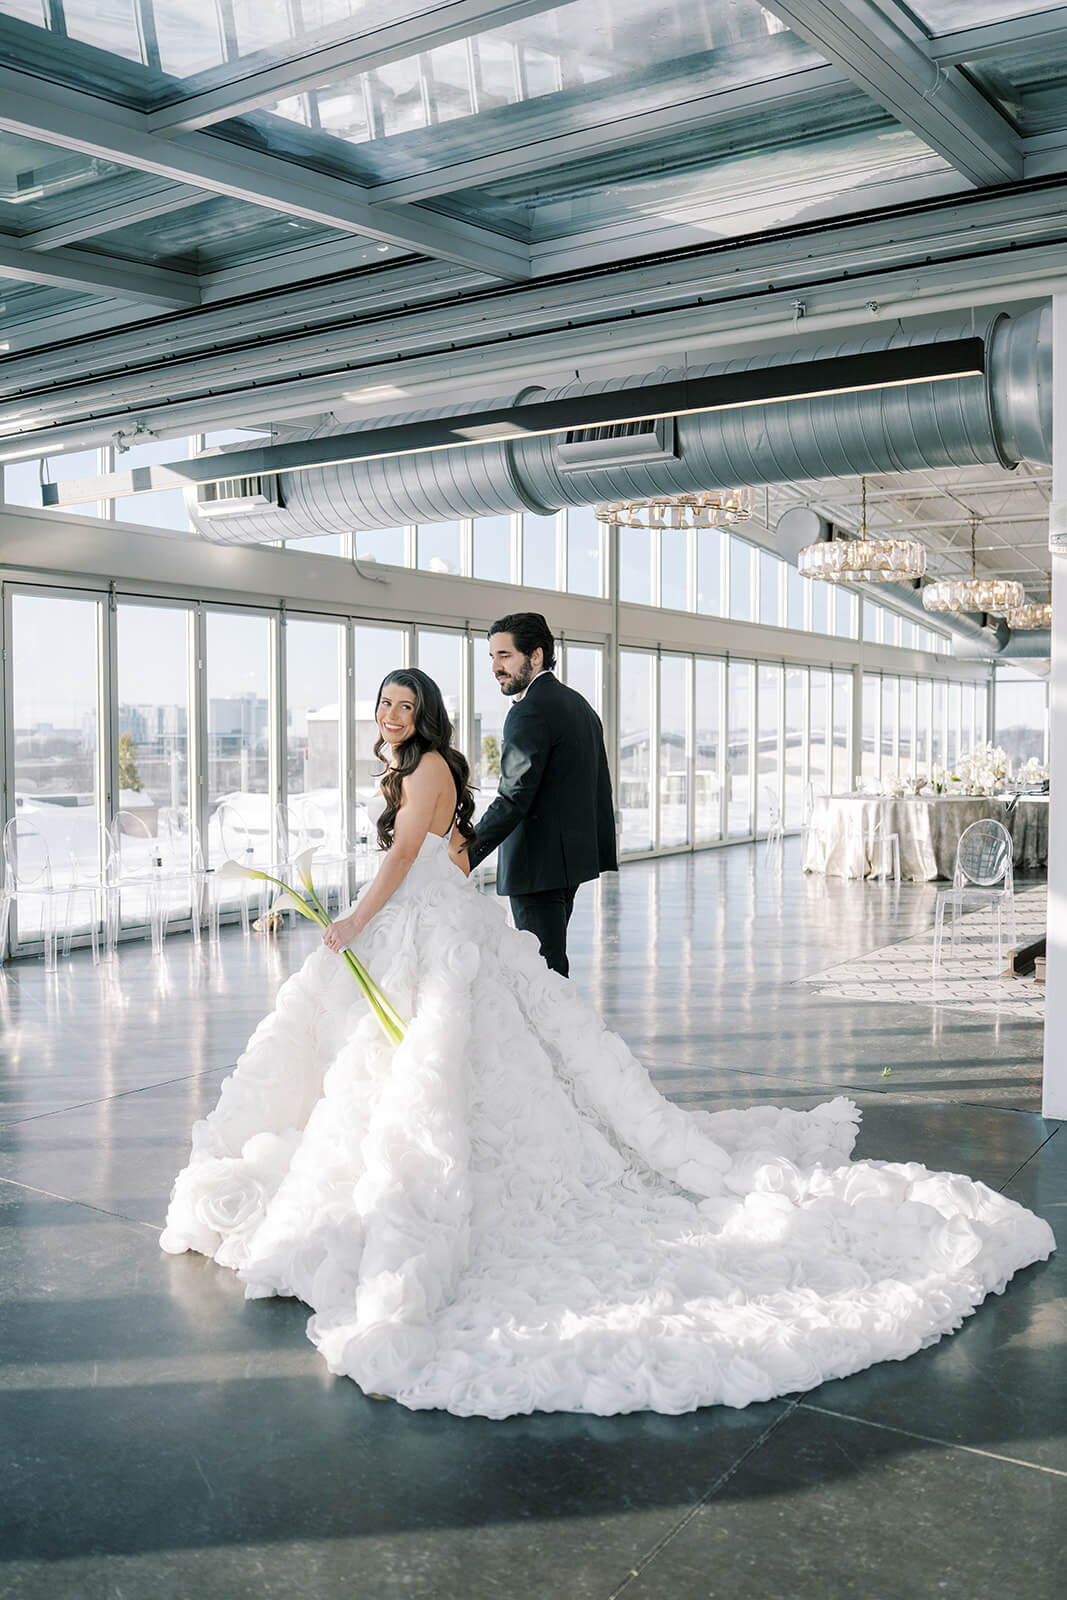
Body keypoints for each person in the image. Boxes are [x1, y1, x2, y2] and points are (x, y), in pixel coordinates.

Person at [161, 667, 1054, 1421]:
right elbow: (439, 853)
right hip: (416, 925)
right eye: (384, 704)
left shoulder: (428, 764)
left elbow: (402, 862)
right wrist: (398, 903)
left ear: (425, 715)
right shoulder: (412, 769)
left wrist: (357, 917)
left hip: (408, 922)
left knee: (439, 1068)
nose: (391, 715)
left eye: (404, 703)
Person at [455, 612, 616, 977]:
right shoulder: (579, 705)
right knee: (549, 963)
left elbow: (514, 796)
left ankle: (558, 1034)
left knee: (540, 972)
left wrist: (464, 853)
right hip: (568, 862)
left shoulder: (530, 712)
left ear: (536, 656)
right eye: (492, 657)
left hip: (537, 866)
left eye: (505, 656)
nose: (496, 667)